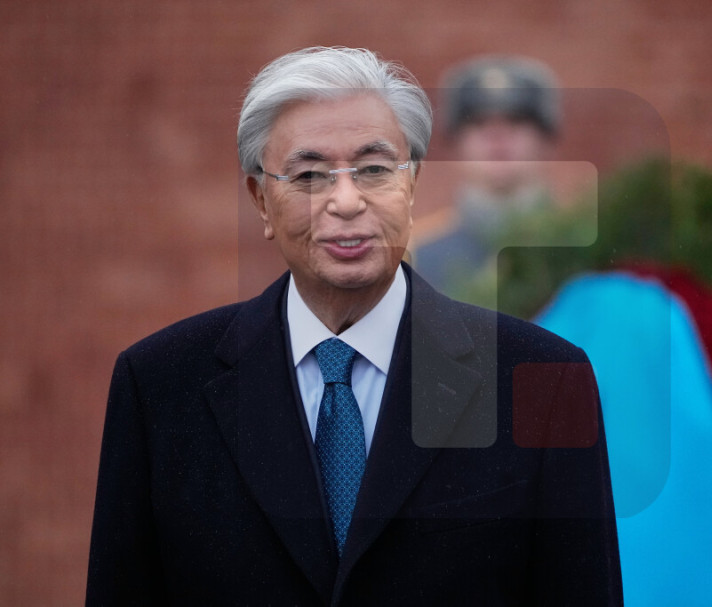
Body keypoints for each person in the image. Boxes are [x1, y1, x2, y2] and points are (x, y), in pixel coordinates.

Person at [86, 47, 622, 606]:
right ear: (261, 200)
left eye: (374, 170)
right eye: (309, 175)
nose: (346, 201)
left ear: (411, 184)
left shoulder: (542, 378)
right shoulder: (159, 387)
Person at [412, 55, 562, 297]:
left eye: (516, 120)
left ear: (546, 140)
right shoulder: (414, 257)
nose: (497, 135)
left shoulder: (588, 249)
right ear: (455, 144)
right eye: (479, 122)